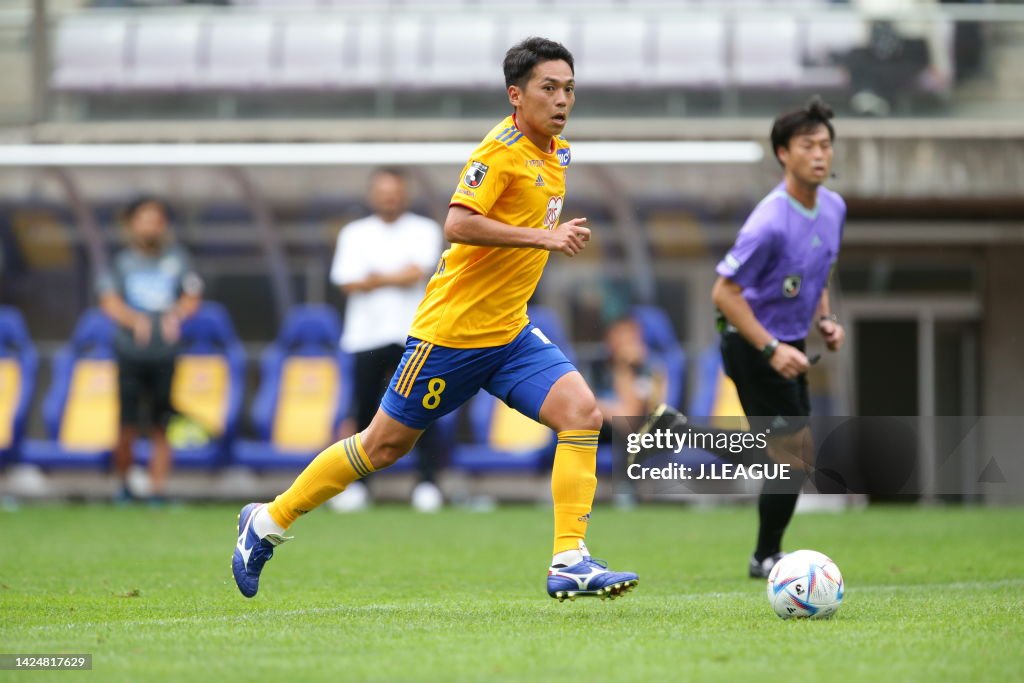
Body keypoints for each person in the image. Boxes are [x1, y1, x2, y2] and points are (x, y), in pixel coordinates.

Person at [232, 37, 638, 601]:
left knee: (582, 414)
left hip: (510, 332)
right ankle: (267, 521)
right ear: (515, 95)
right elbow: (458, 223)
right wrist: (544, 237)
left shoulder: (556, 152)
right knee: (381, 447)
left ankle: (570, 559)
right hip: (451, 335)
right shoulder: (498, 153)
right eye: (549, 88)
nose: (562, 99)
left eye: (569, 88)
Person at [644, 98, 846, 578]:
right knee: (792, 454)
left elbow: (818, 268)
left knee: (788, 453)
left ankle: (676, 431)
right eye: (808, 145)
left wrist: (825, 318)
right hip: (751, 342)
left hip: (790, 342)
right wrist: (771, 349)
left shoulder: (833, 207)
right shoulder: (769, 221)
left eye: (825, 145)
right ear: (783, 153)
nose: (820, 154)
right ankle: (765, 556)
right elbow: (724, 292)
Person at [328, 168, 447, 513]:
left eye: (394, 192)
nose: (389, 198)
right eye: (383, 192)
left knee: (423, 410)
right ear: (372, 195)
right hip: (365, 337)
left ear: (404, 195)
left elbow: (418, 272)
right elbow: (348, 281)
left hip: (415, 336)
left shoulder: (424, 229)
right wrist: (396, 276)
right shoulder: (354, 233)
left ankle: (427, 484)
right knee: (364, 413)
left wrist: (374, 278)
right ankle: (359, 486)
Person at [98, 196, 202, 503]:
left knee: (162, 422)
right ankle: (124, 487)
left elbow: (192, 296)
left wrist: (176, 315)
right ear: (132, 224)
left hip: (164, 354)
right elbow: (109, 300)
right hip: (130, 353)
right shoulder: (121, 262)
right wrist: (135, 321)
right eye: (145, 220)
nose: (151, 226)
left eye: (156, 220)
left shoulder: (178, 259)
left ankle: (157, 489)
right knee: (127, 422)